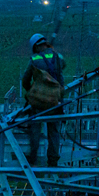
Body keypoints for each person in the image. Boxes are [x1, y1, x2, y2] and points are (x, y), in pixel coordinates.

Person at [21, 33, 65, 167]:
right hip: (55, 101)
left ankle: (32, 158)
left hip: (39, 102)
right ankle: (53, 160)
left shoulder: (34, 59)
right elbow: (63, 66)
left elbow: (25, 80)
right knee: (54, 131)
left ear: (35, 47)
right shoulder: (57, 57)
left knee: (35, 128)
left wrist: (31, 92)